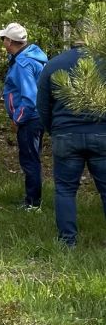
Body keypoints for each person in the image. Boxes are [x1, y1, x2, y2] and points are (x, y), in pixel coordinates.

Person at [36, 28, 106, 246]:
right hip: (101, 133)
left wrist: (53, 130)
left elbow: (42, 106)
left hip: (65, 134)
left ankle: (68, 241)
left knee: (65, 189)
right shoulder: (103, 63)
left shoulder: (54, 64)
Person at [0, 21, 48, 209]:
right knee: (32, 158)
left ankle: (33, 204)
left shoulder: (23, 64)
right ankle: (32, 199)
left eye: (4, 39)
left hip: (29, 119)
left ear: (10, 41)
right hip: (37, 117)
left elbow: (29, 97)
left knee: (29, 160)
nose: (2, 42)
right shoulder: (33, 58)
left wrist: (17, 119)